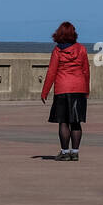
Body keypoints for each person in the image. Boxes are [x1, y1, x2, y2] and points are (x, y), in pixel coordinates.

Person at [41, 21, 90, 161]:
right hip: (79, 88)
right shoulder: (81, 49)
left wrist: (45, 91)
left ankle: (64, 152)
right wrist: (86, 89)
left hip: (62, 88)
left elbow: (52, 72)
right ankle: (75, 152)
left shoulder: (57, 51)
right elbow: (86, 71)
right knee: (76, 122)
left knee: (63, 122)